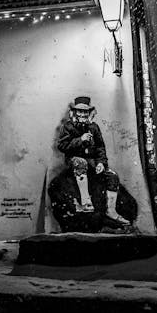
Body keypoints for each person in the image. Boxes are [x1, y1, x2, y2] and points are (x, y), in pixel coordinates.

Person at [57, 96, 134, 226]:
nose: (82, 114)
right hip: (74, 160)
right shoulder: (68, 127)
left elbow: (100, 147)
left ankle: (111, 211)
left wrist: (101, 163)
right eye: (79, 111)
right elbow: (62, 146)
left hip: (92, 160)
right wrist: (80, 140)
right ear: (75, 112)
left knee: (112, 176)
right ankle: (86, 203)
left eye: (85, 112)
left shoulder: (94, 127)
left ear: (89, 113)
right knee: (80, 163)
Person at [48, 157, 134, 233]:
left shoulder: (100, 178)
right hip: (78, 224)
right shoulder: (59, 183)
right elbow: (64, 213)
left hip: (99, 220)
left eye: (84, 171)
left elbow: (129, 206)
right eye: (79, 171)